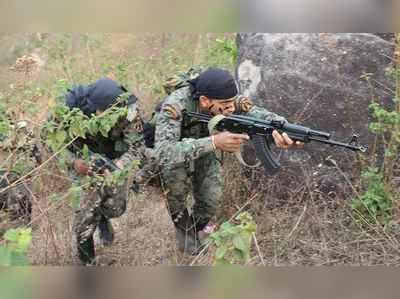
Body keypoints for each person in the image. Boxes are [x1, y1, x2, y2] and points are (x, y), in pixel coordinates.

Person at [154, 68, 301, 254]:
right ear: (204, 101)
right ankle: (185, 234)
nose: (231, 108)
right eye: (225, 104)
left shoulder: (228, 99)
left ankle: (196, 228)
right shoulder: (175, 105)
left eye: (233, 102)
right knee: (176, 193)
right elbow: (164, 152)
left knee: (210, 198)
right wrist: (215, 141)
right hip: (177, 150)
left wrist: (282, 128)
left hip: (208, 145)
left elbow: (259, 115)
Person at [52, 77, 150, 265]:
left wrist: (119, 167)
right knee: (85, 209)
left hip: (114, 157)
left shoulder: (128, 109)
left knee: (116, 207)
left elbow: (137, 147)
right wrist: (74, 162)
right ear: (95, 110)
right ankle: (87, 260)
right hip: (81, 158)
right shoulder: (67, 108)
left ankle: (103, 218)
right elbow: (52, 144)